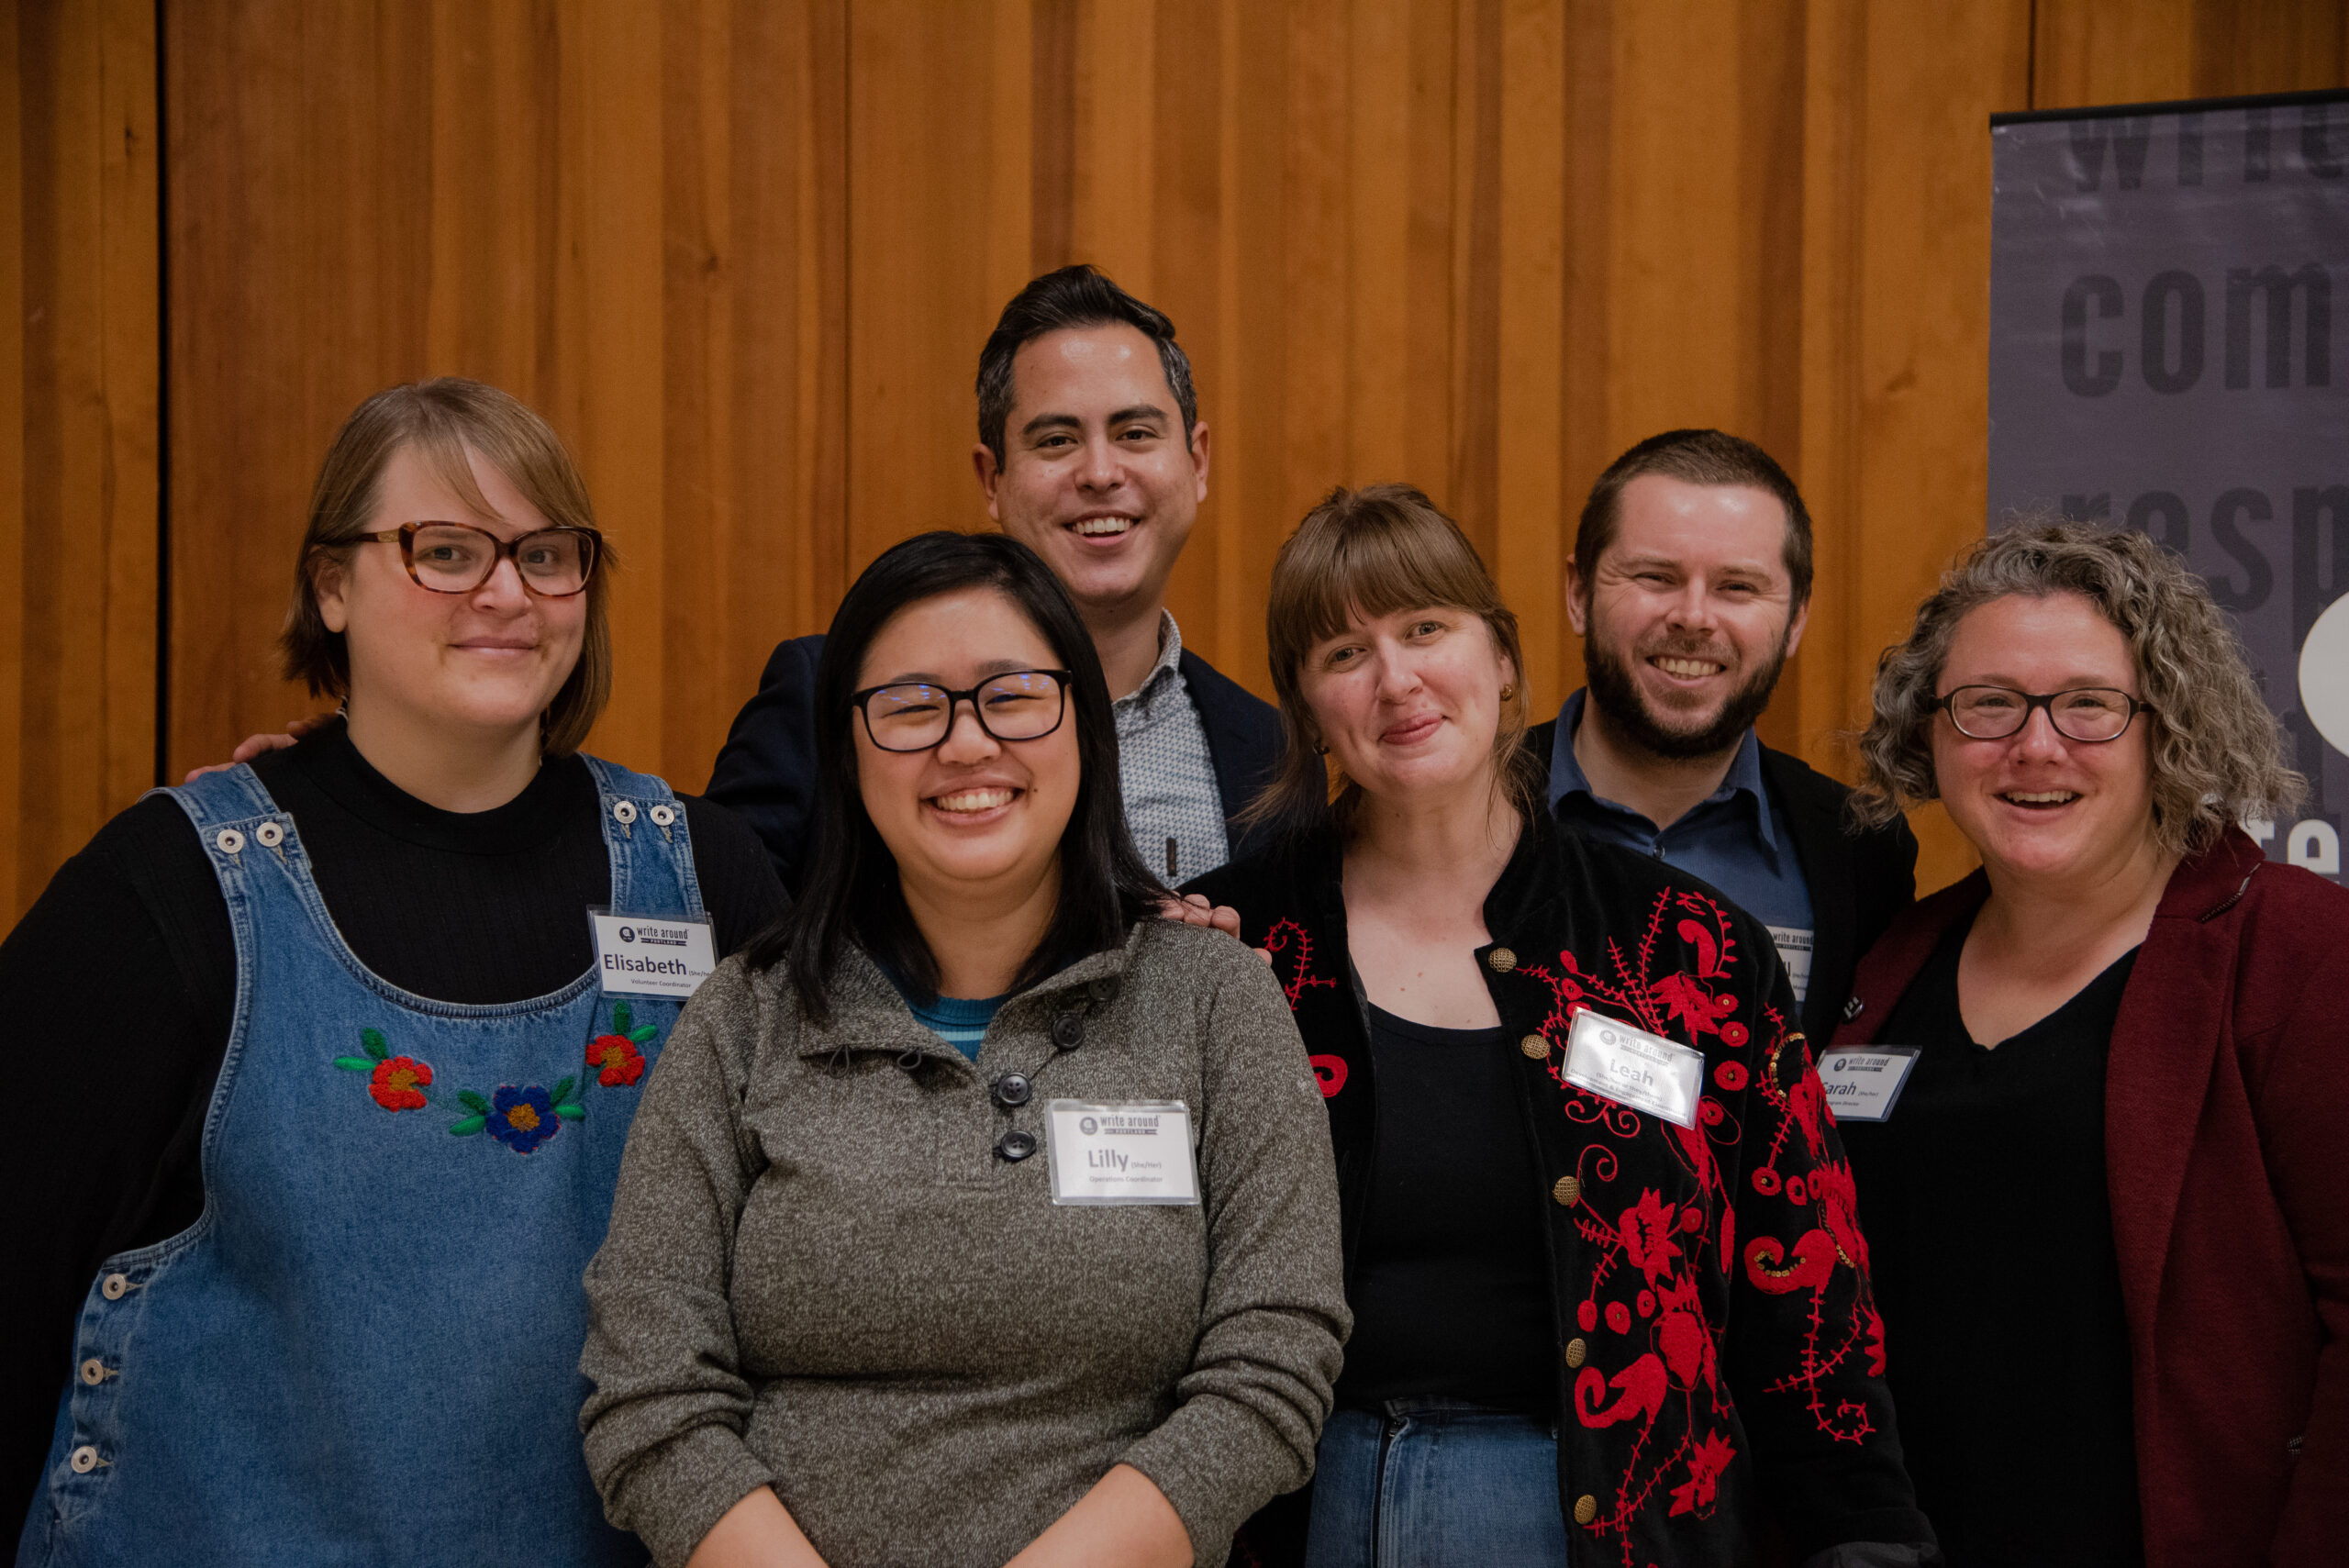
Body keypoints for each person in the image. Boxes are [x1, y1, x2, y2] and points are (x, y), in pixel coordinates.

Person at [2, 379, 786, 1564]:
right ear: (331, 584)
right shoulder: (171, 888)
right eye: (447, 549)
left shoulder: (705, 876)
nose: (507, 592)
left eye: (548, 553)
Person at [1184, 485, 1936, 1568]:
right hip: (1297, 1514)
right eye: (1343, 651)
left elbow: (1805, 1287)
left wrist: (1866, 1534)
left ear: (1502, 657)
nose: (1396, 679)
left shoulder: (1688, 948)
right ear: (1305, 708)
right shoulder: (1232, 945)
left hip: (1617, 1519)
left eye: (1426, 628)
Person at [578, 530, 1348, 1568]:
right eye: (909, 706)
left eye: (1013, 694)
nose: (966, 742)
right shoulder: (743, 1016)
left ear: (1083, 722)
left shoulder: (1217, 1001)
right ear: (845, 753)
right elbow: (649, 1387)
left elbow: (1272, 1367)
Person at [1830, 523, 2346, 1567]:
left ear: (2168, 725)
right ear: (1928, 732)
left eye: (2087, 705)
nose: (2034, 745)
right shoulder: (1891, 965)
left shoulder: (2296, 952)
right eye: (1987, 703)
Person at [707, 264, 1282, 892]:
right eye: (1057, 440)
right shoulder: (826, 700)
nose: (1099, 471)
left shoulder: (1274, 754)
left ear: (1196, 462)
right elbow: (728, 951)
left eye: (1135, 433)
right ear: (992, 479)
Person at [1536, 429, 1916, 1042]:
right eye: (1655, 576)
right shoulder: (1459, 809)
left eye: (1737, 586)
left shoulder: (1860, 852)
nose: (1692, 616)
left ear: (1795, 619)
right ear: (1579, 594)